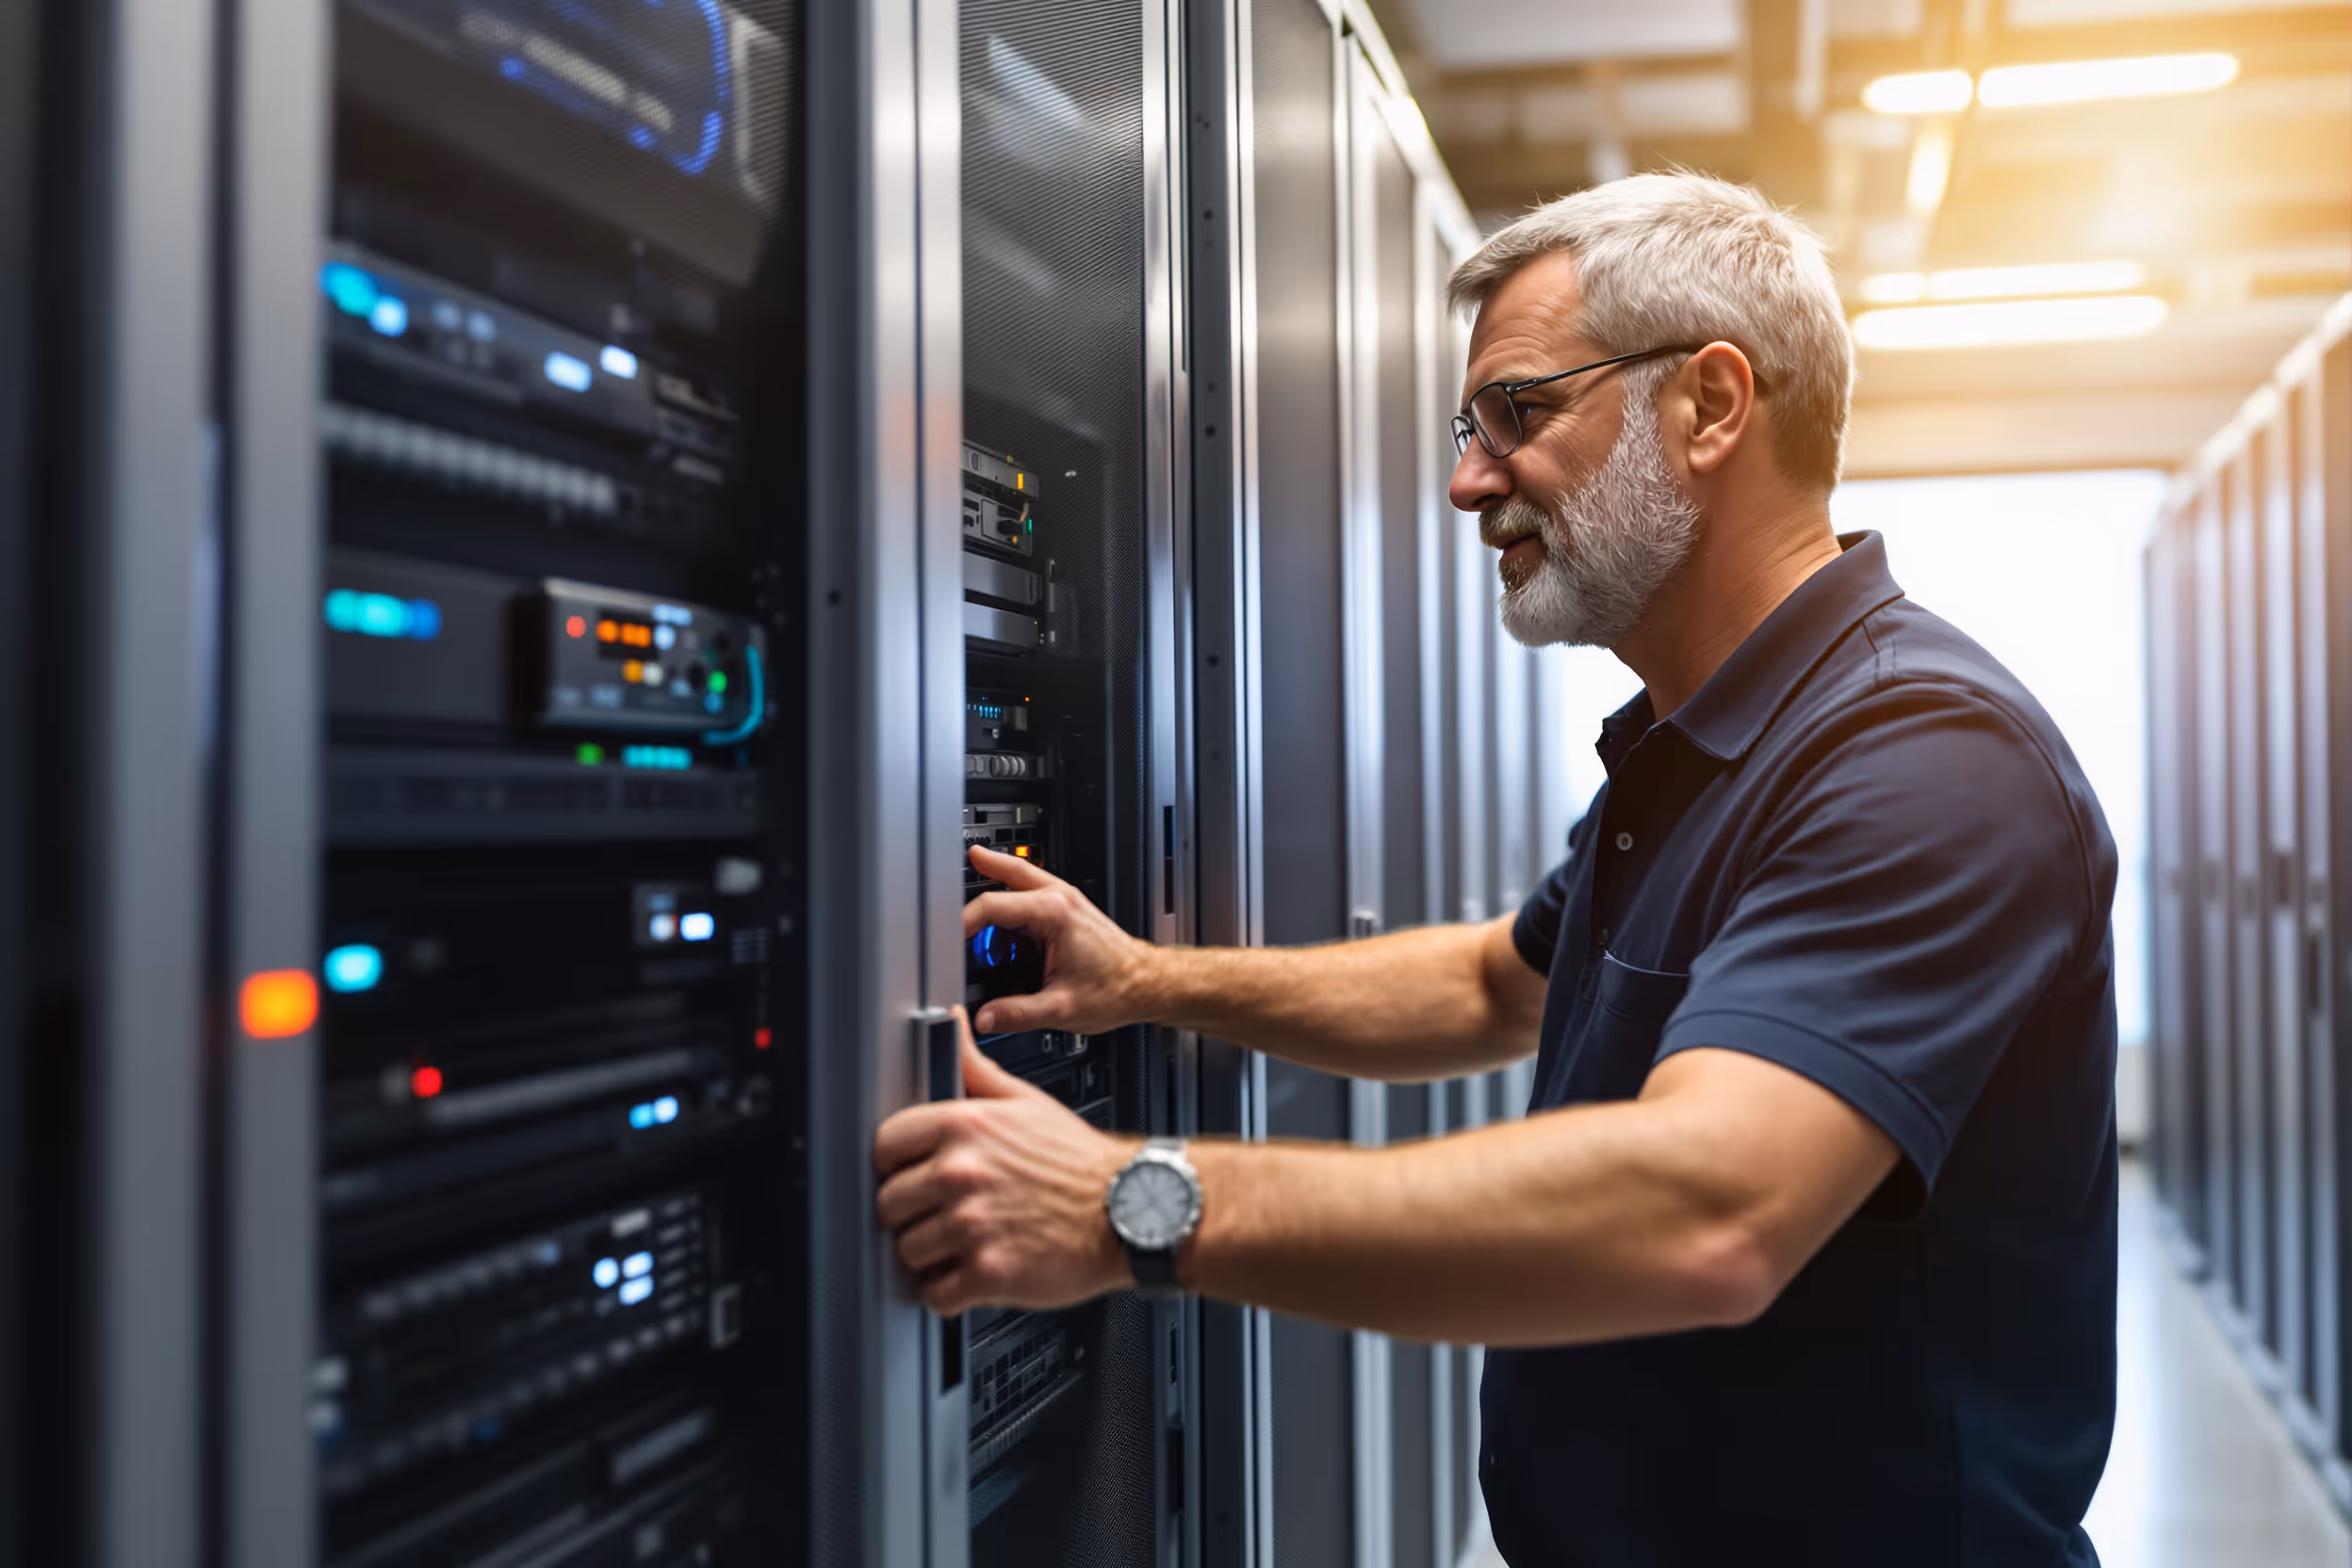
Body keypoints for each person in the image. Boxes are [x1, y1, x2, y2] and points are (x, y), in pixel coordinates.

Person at [874, 172, 2118, 1566]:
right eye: (1469, 429)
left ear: (1710, 406)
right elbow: (1490, 985)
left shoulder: (1925, 759)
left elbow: (1709, 1209)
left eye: (1521, 414)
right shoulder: (1698, 738)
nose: (1469, 480)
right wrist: (1147, 980)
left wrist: (1128, 1204)